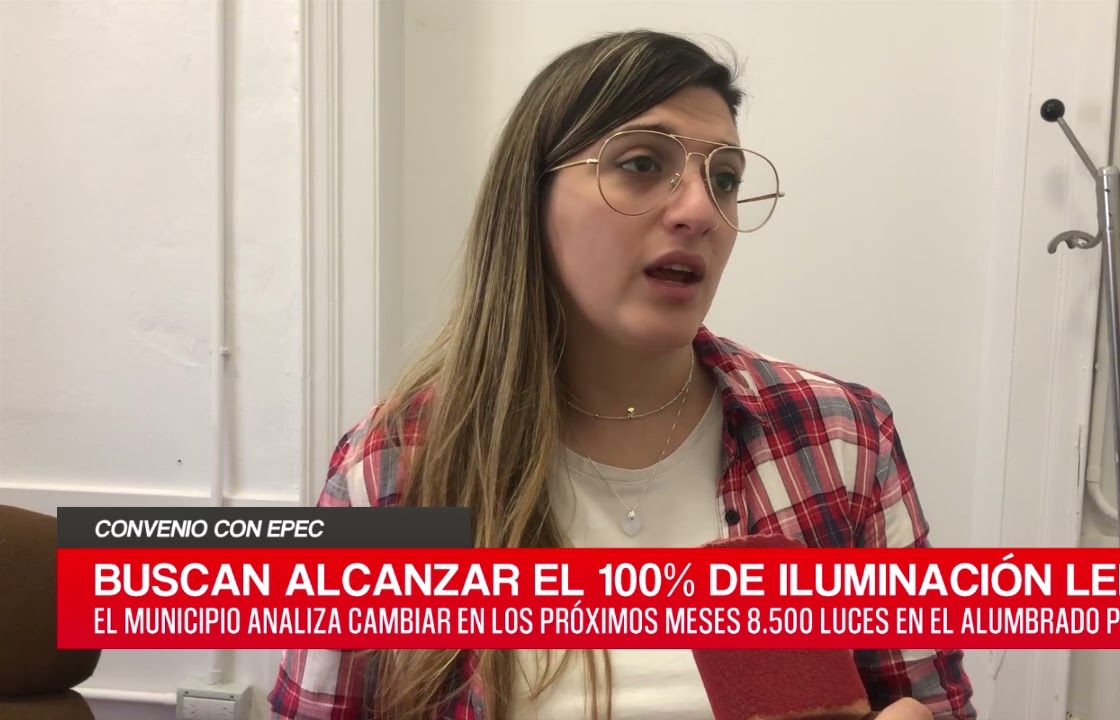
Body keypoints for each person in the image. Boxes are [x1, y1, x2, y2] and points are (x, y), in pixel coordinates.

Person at [267, 29, 976, 720]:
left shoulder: (841, 439)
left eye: (725, 179)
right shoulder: (395, 470)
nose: (700, 211)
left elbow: (933, 701)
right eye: (641, 163)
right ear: (532, 198)